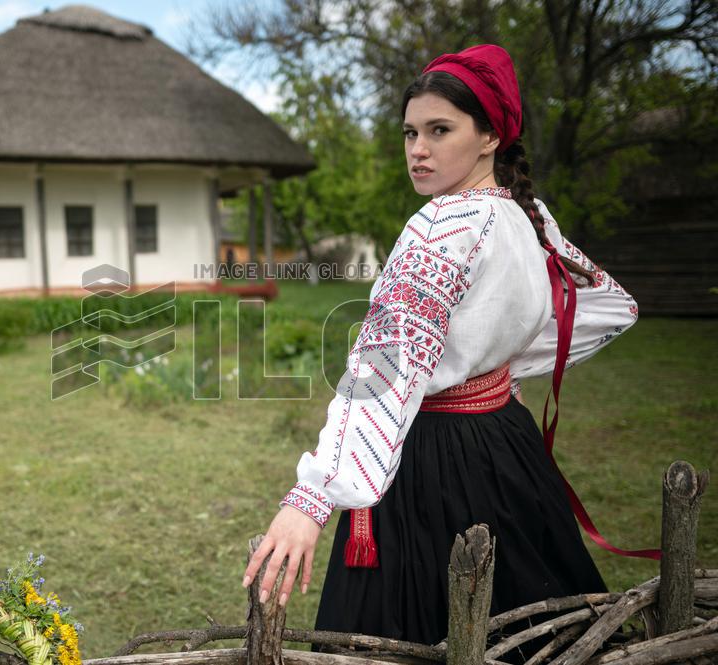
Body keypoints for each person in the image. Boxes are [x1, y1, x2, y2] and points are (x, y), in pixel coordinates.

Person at [240, 44, 649, 659]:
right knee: (523, 632)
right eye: (409, 132)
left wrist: (312, 498)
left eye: (439, 130)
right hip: (505, 443)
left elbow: (385, 367)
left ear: (489, 136)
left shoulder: (440, 225)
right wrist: (492, 365)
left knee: (420, 632)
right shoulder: (527, 216)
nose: (417, 149)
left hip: (435, 461)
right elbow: (611, 304)